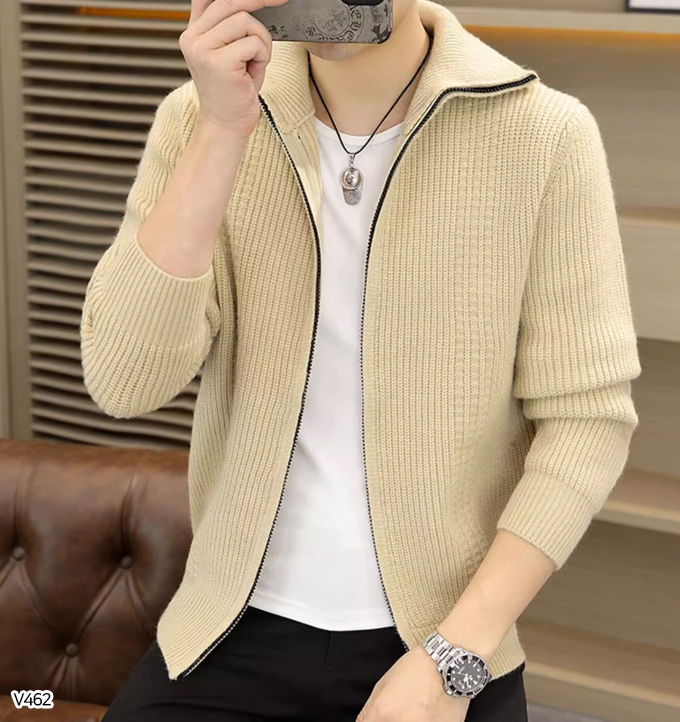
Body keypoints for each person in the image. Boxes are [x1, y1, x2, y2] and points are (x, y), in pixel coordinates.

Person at [82, 0, 642, 719]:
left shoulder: (545, 134)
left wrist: (453, 658)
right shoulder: (199, 117)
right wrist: (222, 130)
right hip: (227, 630)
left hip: (442, 640)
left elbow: (587, 422)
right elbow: (124, 381)